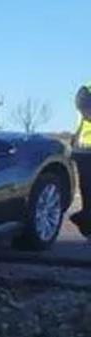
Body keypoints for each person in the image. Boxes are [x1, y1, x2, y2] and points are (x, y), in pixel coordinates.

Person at [72, 82, 91, 238]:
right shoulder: (87, 89)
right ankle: (86, 223)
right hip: (86, 148)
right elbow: (86, 110)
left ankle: (84, 219)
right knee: (88, 190)